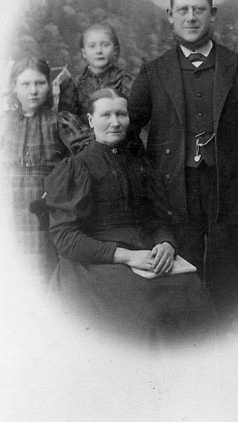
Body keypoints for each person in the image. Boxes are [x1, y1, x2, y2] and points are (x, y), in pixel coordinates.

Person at [128, 0, 238, 316]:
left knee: (232, 280)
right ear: (170, 15)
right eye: (183, 10)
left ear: (213, 13)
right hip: (174, 191)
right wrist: (146, 178)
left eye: (199, 9)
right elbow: (127, 130)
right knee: (184, 275)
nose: (191, 17)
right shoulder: (153, 72)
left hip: (233, 190)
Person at [45, 88, 212, 343]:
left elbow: (154, 219)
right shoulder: (77, 166)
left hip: (145, 254)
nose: (115, 122)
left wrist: (166, 243)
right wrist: (128, 256)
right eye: (106, 115)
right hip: (95, 262)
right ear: (91, 120)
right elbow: (65, 238)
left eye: (121, 114)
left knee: (194, 292)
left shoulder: (139, 163)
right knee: (149, 316)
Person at [0, 55, 91, 283]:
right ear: (14, 86)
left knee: (44, 268)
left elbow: (88, 156)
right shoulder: (3, 123)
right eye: (25, 84)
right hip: (9, 205)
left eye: (39, 83)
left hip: (47, 207)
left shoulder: (59, 121)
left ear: (49, 85)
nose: (33, 91)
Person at [58, 22, 134, 122]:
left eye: (105, 45)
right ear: (84, 53)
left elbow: (134, 118)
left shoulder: (126, 82)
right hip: (83, 132)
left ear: (115, 50)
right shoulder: (73, 85)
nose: (99, 51)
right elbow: (66, 121)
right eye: (92, 46)